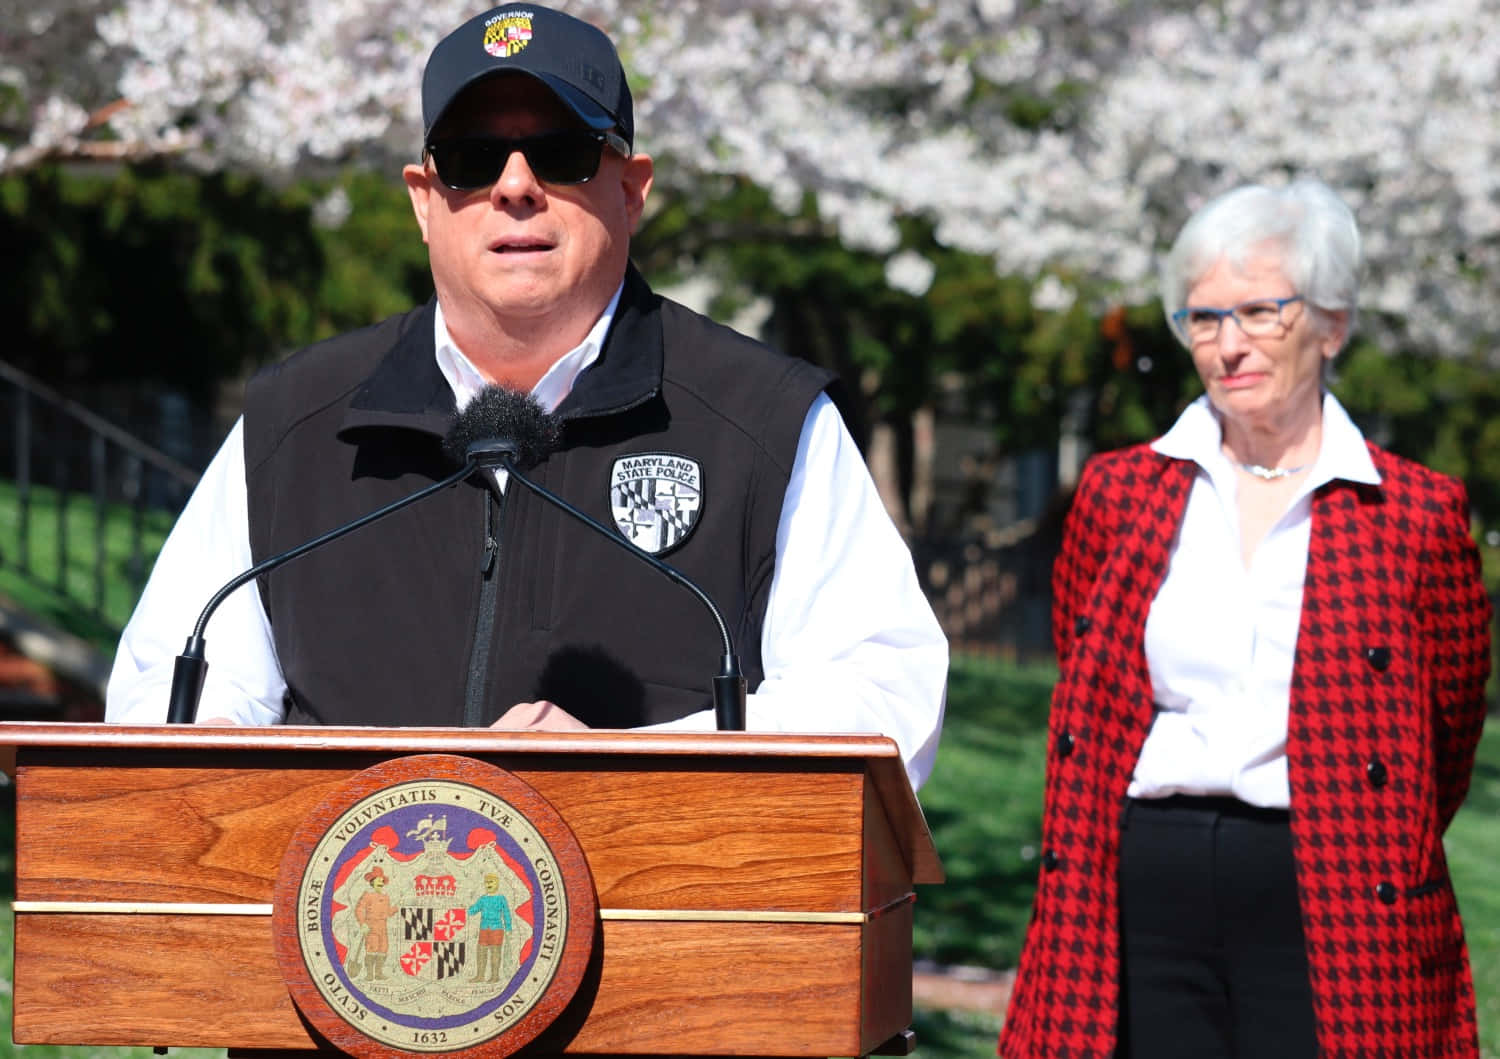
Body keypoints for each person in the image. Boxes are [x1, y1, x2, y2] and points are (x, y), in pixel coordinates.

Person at [103, 4, 946, 790]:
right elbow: (165, 698)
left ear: (631, 188)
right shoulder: (295, 422)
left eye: (561, 150)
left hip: (660, 936)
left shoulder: (764, 421)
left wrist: (608, 773)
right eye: (472, 158)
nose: (514, 185)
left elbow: (882, 699)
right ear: (426, 201)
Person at [999, 179, 1491, 1059]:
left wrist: (1367, 820)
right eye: (1203, 318)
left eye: (1261, 312)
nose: (1230, 346)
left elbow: (1441, 739)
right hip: (1141, 880)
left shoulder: (1416, 514)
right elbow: (1090, 685)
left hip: (1337, 886)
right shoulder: (1121, 493)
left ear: (1331, 324)